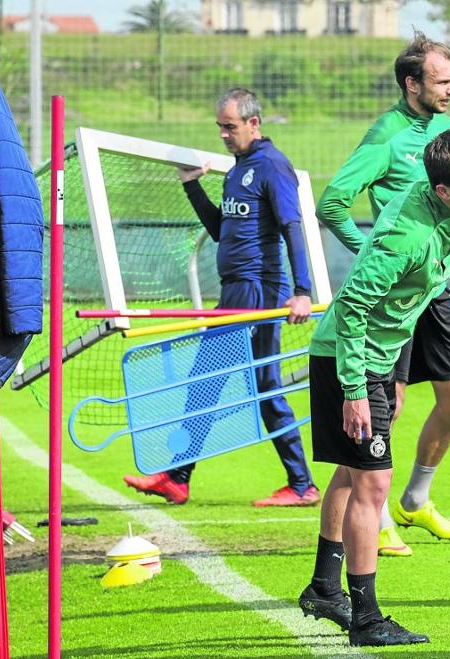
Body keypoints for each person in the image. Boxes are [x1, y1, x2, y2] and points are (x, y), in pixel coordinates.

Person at [299, 129, 450, 646]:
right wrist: (353, 390)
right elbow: (351, 309)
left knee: (353, 472)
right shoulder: (404, 238)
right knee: (373, 484)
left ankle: (325, 587)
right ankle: (366, 619)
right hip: (351, 360)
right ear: (443, 192)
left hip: (378, 359)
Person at [123, 88, 319, 507]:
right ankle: (297, 483)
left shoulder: (271, 166)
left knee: (216, 379)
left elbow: (293, 227)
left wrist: (302, 291)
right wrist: (192, 187)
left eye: (230, 127)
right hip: (237, 290)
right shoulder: (237, 170)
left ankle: (182, 477)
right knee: (255, 385)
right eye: (220, 128)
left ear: (253, 123)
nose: (224, 135)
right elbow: (220, 230)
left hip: (259, 290)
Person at [315, 31, 450, 557]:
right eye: (442, 81)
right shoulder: (385, 135)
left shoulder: (446, 130)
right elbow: (332, 203)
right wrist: (372, 255)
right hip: (393, 294)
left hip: (435, 289)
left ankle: (415, 499)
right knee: (388, 406)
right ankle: (372, 513)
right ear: (411, 83)